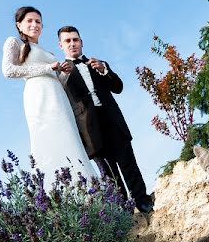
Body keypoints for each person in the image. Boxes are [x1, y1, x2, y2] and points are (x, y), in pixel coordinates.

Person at [56, 25, 154, 213]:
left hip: (112, 120)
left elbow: (118, 87)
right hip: (89, 128)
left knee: (128, 163)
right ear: (61, 46)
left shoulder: (99, 64)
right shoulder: (60, 74)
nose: (72, 44)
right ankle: (123, 212)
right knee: (108, 173)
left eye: (75, 40)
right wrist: (64, 76)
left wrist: (104, 70)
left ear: (81, 42)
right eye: (67, 41)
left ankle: (143, 201)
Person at [1, 7, 97, 185]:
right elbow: (8, 70)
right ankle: (54, 190)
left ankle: (86, 187)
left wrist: (64, 73)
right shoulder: (14, 42)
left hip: (59, 99)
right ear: (18, 25)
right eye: (29, 21)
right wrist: (48, 68)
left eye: (38, 21)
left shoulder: (44, 50)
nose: (34, 24)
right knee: (47, 139)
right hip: (38, 96)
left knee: (69, 138)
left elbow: (57, 80)